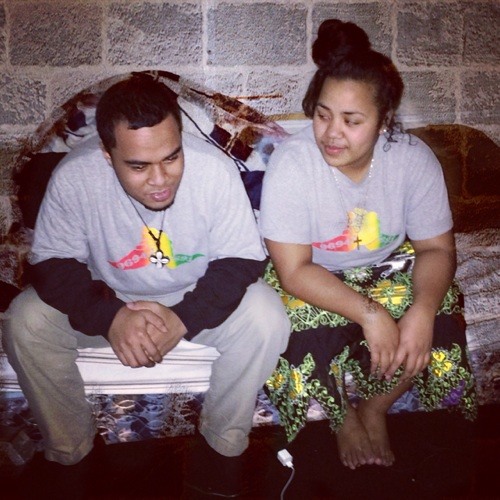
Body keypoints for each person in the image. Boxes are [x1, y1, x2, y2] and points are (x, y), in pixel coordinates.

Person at [2, 74, 290, 497]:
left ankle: (221, 448)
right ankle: (71, 452)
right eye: (138, 166)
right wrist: (110, 317)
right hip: (108, 293)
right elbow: (52, 263)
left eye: (171, 157)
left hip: (192, 293)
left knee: (266, 317)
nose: (160, 180)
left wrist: (182, 319)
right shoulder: (75, 176)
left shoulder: (214, 170)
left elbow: (240, 260)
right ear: (107, 154)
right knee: (25, 321)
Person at [259, 19, 477, 471]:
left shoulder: (412, 159)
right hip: (314, 275)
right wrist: (371, 313)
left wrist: (421, 310)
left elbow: (437, 250)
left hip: (386, 267)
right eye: (322, 115)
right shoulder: (292, 164)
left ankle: (375, 407)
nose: (331, 133)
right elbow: (293, 270)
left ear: (383, 121)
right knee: (288, 325)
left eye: (352, 121)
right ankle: (340, 416)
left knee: (439, 313)